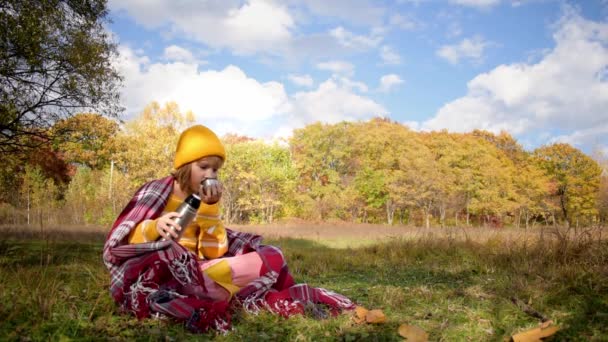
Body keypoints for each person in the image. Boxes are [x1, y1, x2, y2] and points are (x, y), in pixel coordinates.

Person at [103, 125, 354, 333]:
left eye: (215, 169)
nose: (210, 174)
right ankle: (207, 296)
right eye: (203, 167)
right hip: (163, 268)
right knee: (169, 250)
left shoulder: (206, 201)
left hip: (199, 272)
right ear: (184, 165)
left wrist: (210, 210)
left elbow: (214, 253)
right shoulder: (156, 190)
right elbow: (125, 238)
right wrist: (154, 226)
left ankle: (207, 294)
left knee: (272, 255)